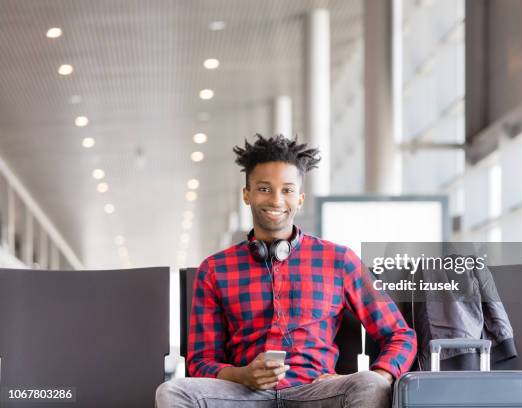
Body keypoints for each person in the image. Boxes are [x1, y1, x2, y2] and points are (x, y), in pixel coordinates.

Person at [156, 134, 417, 407]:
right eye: (264, 189)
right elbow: (200, 361)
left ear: (300, 198)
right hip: (242, 394)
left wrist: (381, 374)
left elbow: (400, 334)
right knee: (172, 392)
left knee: (371, 385)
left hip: (316, 391)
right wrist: (242, 375)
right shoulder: (215, 270)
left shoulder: (338, 260)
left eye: (287, 190)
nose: (276, 200)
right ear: (247, 194)